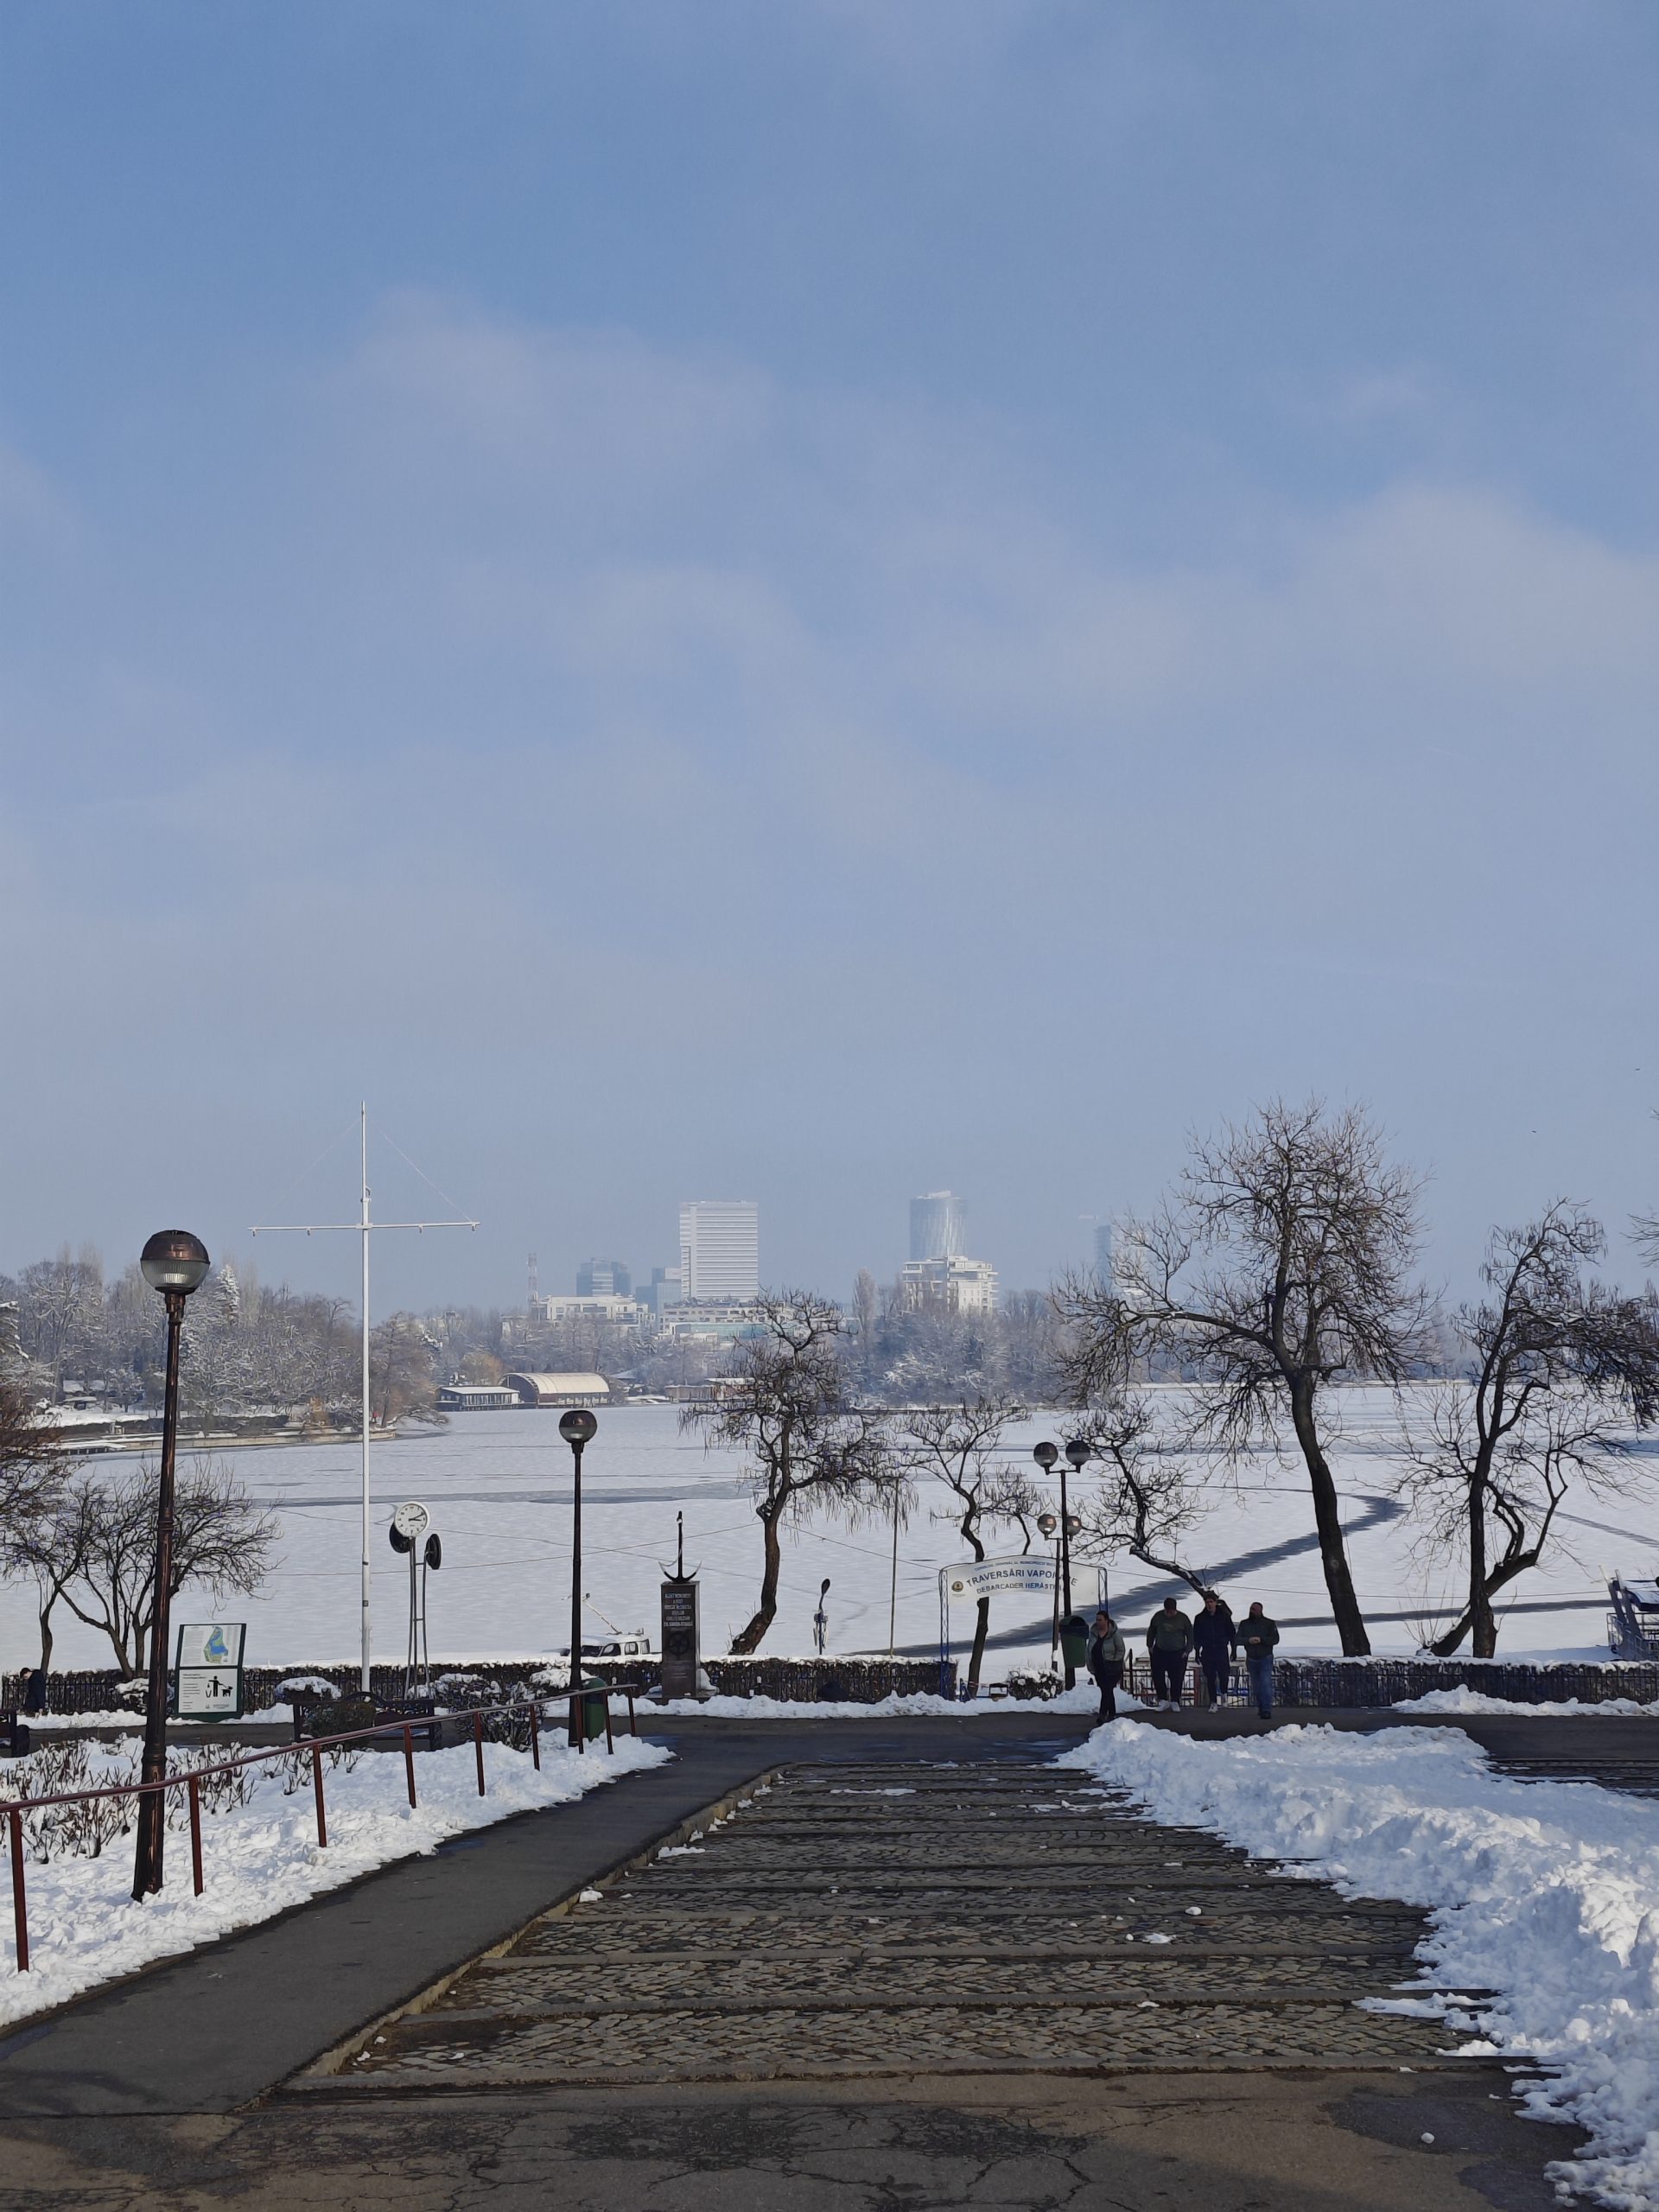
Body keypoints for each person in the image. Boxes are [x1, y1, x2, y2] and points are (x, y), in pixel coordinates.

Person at [1235, 1602, 1281, 1720]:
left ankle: (1266, 1709)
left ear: (1260, 1611)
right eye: (1251, 1609)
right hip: (1251, 1658)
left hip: (1265, 1657)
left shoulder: (1269, 1623)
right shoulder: (1244, 1624)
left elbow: (1275, 1639)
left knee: (1265, 1683)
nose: (1252, 1611)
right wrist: (1248, 1640)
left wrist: (1262, 1640)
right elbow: (1237, 1639)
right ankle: (1260, 1706)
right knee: (1256, 1685)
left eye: (1254, 1609)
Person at [1145, 1597, 1192, 1708]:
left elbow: (1190, 1634)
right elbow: (1151, 1631)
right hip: (1160, 1651)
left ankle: (1175, 1700)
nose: (1170, 1615)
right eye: (1168, 1612)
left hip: (1178, 1653)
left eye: (1172, 1612)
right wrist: (1149, 1645)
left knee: (1177, 1678)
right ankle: (1162, 1699)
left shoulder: (1183, 1618)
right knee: (1158, 1676)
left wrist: (1188, 1650)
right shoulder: (1158, 1617)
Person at [1192, 1590, 1234, 1708]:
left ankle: (1224, 1693)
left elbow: (1231, 1632)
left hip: (1221, 1649)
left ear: (1215, 1603)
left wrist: (1234, 1648)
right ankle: (1213, 1702)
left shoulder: (1224, 1616)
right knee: (1210, 1677)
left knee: (1223, 1675)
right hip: (1208, 1650)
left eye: (1211, 1602)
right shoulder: (1200, 1618)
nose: (1209, 1604)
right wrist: (1196, 1651)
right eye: (1207, 1602)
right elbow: (1197, 1636)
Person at [1086, 1609, 1126, 1721]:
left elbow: (1121, 1650)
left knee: (1107, 1689)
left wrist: (1114, 1661)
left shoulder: (1114, 1634)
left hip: (1113, 1668)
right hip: (1099, 1668)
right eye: (1097, 1620)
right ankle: (1112, 1714)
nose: (1098, 1622)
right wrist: (1090, 1664)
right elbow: (1089, 1650)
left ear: (1107, 1620)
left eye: (1100, 1620)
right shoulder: (1093, 1634)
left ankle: (1102, 1714)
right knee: (1106, 1690)